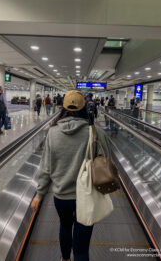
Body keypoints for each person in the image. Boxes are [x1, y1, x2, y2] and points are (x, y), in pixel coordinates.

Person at [31, 90, 110, 261]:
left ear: (63, 107)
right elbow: (106, 162)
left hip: (61, 196)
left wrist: (39, 194)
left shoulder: (52, 133)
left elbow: (46, 167)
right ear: (85, 108)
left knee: (65, 227)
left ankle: (65, 259)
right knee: (81, 248)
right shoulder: (95, 133)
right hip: (88, 196)